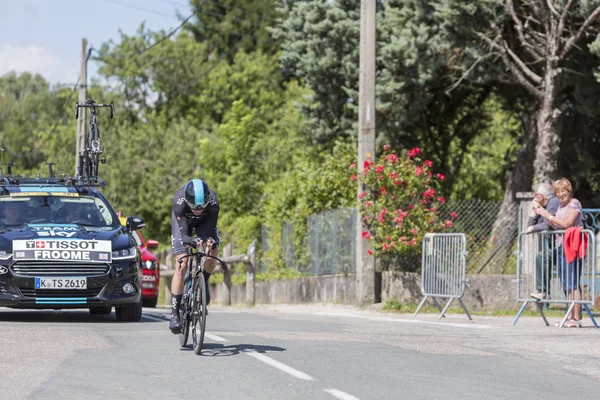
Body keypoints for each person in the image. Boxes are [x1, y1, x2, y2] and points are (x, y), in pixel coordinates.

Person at [169, 179, 220, 333]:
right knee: (182, 264)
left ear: (207, 199)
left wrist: (209, 242)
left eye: (201, 205)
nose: (198, 209)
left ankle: (203, 281)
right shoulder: (179, 202)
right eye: (194, 205)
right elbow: (184, 235)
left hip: (204, 223)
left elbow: (209, 230)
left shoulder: (213, 202)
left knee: (212, 251)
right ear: (186, 199)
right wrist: (190, 241)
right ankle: (174, 313)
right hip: (183, 223)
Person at [534, 178, 583, 327]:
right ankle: (569, 317)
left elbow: (568, 223)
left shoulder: (574, 203)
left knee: (573, 282)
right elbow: (556, 225)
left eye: (563, 191)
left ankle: (576, 318)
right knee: (566, 283)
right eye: (558, 192)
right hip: (561, 246)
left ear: (569, 191)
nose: (561, 194)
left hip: (572, 246)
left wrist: (548, 215)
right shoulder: (561, 206)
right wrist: (542, 213)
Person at [527, 182, 561, 300]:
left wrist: (533, 228)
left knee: (542, 256)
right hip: (555, 246)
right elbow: (530, 225)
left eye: (536, 194)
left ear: (541, 196)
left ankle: (543, 291)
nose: (534, 197)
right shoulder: (543, 206)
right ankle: (543, 291)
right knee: (542, 256)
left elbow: (548, 225)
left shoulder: (553, 202)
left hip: (562, 246)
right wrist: (534, 210)